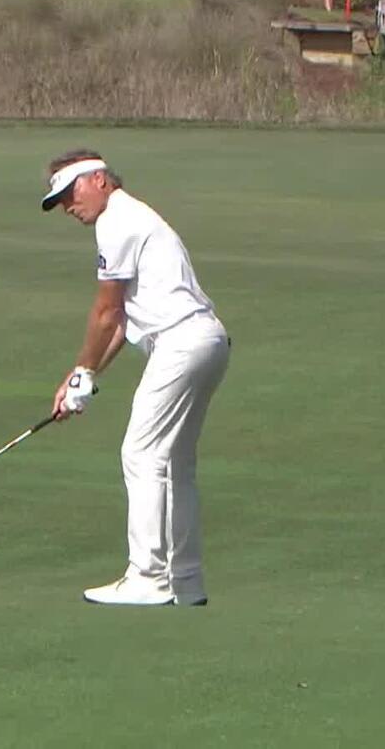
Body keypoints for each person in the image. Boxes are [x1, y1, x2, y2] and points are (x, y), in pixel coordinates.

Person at [41, 150, 229, 607]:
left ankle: (148, 576)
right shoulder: (134, 217)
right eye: (60, 200)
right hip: (207, 341)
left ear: (99, 180)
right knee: (174, 463)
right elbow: (123, 322)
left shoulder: (117, 220)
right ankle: (185, 581)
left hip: (181, 343)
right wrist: (82, 377)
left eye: (70, 193)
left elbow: (106, 311)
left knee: (141, 453)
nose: (68, 207)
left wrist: (82, 372)